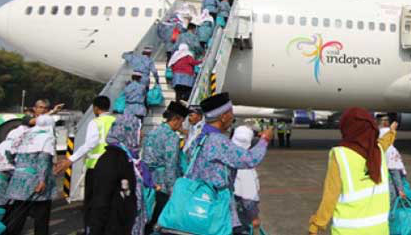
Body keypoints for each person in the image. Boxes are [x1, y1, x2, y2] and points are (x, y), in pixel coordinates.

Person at [187, 92, 273, 230]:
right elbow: (249, 160)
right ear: (223, 116)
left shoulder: (200, 138)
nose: (232, 117)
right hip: (216, 207)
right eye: (231, 113)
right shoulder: (218, 141)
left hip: (197, 203)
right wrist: (265, 140)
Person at [309, 108, 398, 235]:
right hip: (379, 230)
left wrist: (316, 225)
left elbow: (330, 197)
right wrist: (392, 132)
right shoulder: (376, 151)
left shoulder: (341, 156)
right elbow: (383, 143)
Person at [53, 96, 116, 233]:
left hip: (95, 168)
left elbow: (90, 143)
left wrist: (71, 159)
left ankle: (90, 229)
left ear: (95, 108)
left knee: (92, 203)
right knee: (108, 201)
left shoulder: (96, 122)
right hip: (112, 167)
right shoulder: (116, 121)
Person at [88, 114, 152, 235]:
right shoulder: (112, 159)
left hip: (126, 224)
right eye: (138, 130)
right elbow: (102, 200)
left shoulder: (129, 158)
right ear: (127, 132)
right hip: (114, 226)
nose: (141, 134)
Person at [4, 115, 57, 235]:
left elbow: (9, 153)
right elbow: (43, 160)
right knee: (41, 215)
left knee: (18, 214)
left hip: (18, 180)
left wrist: (19, 169)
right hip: (36, 180)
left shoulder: (24, 134)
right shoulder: (47, 137)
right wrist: (42, 180)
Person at [142, 101, 189, 234]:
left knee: (149, 217)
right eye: (181, 121)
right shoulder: (172, 137)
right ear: (175, 119)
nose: (181, 125)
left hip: (150, 181)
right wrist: (172, 189)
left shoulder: (153, 132)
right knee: (160, 220)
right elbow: (170, 165)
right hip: (163, 185)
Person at [232, 126, 263, 235]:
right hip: (238, 220)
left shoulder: (224, 155)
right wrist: (254, 218)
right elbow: (249, 200)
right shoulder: (245, 167)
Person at [0, 124, 25, 209]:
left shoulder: (1, 145)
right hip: (5, 175)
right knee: (6, 202)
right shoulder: (15, 146)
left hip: (0, 174)